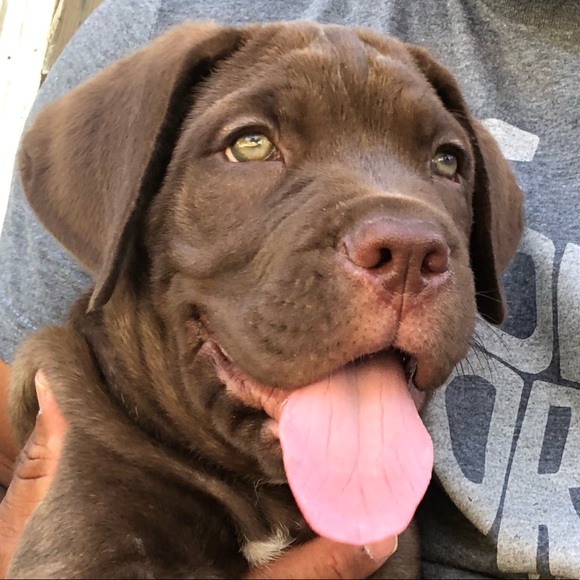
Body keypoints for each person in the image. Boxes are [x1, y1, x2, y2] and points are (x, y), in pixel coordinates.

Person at [0, 0, 578, 577]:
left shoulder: (377, 468)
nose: (403, 239)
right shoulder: (161, 15)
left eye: (445, 163)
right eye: (250, 144)